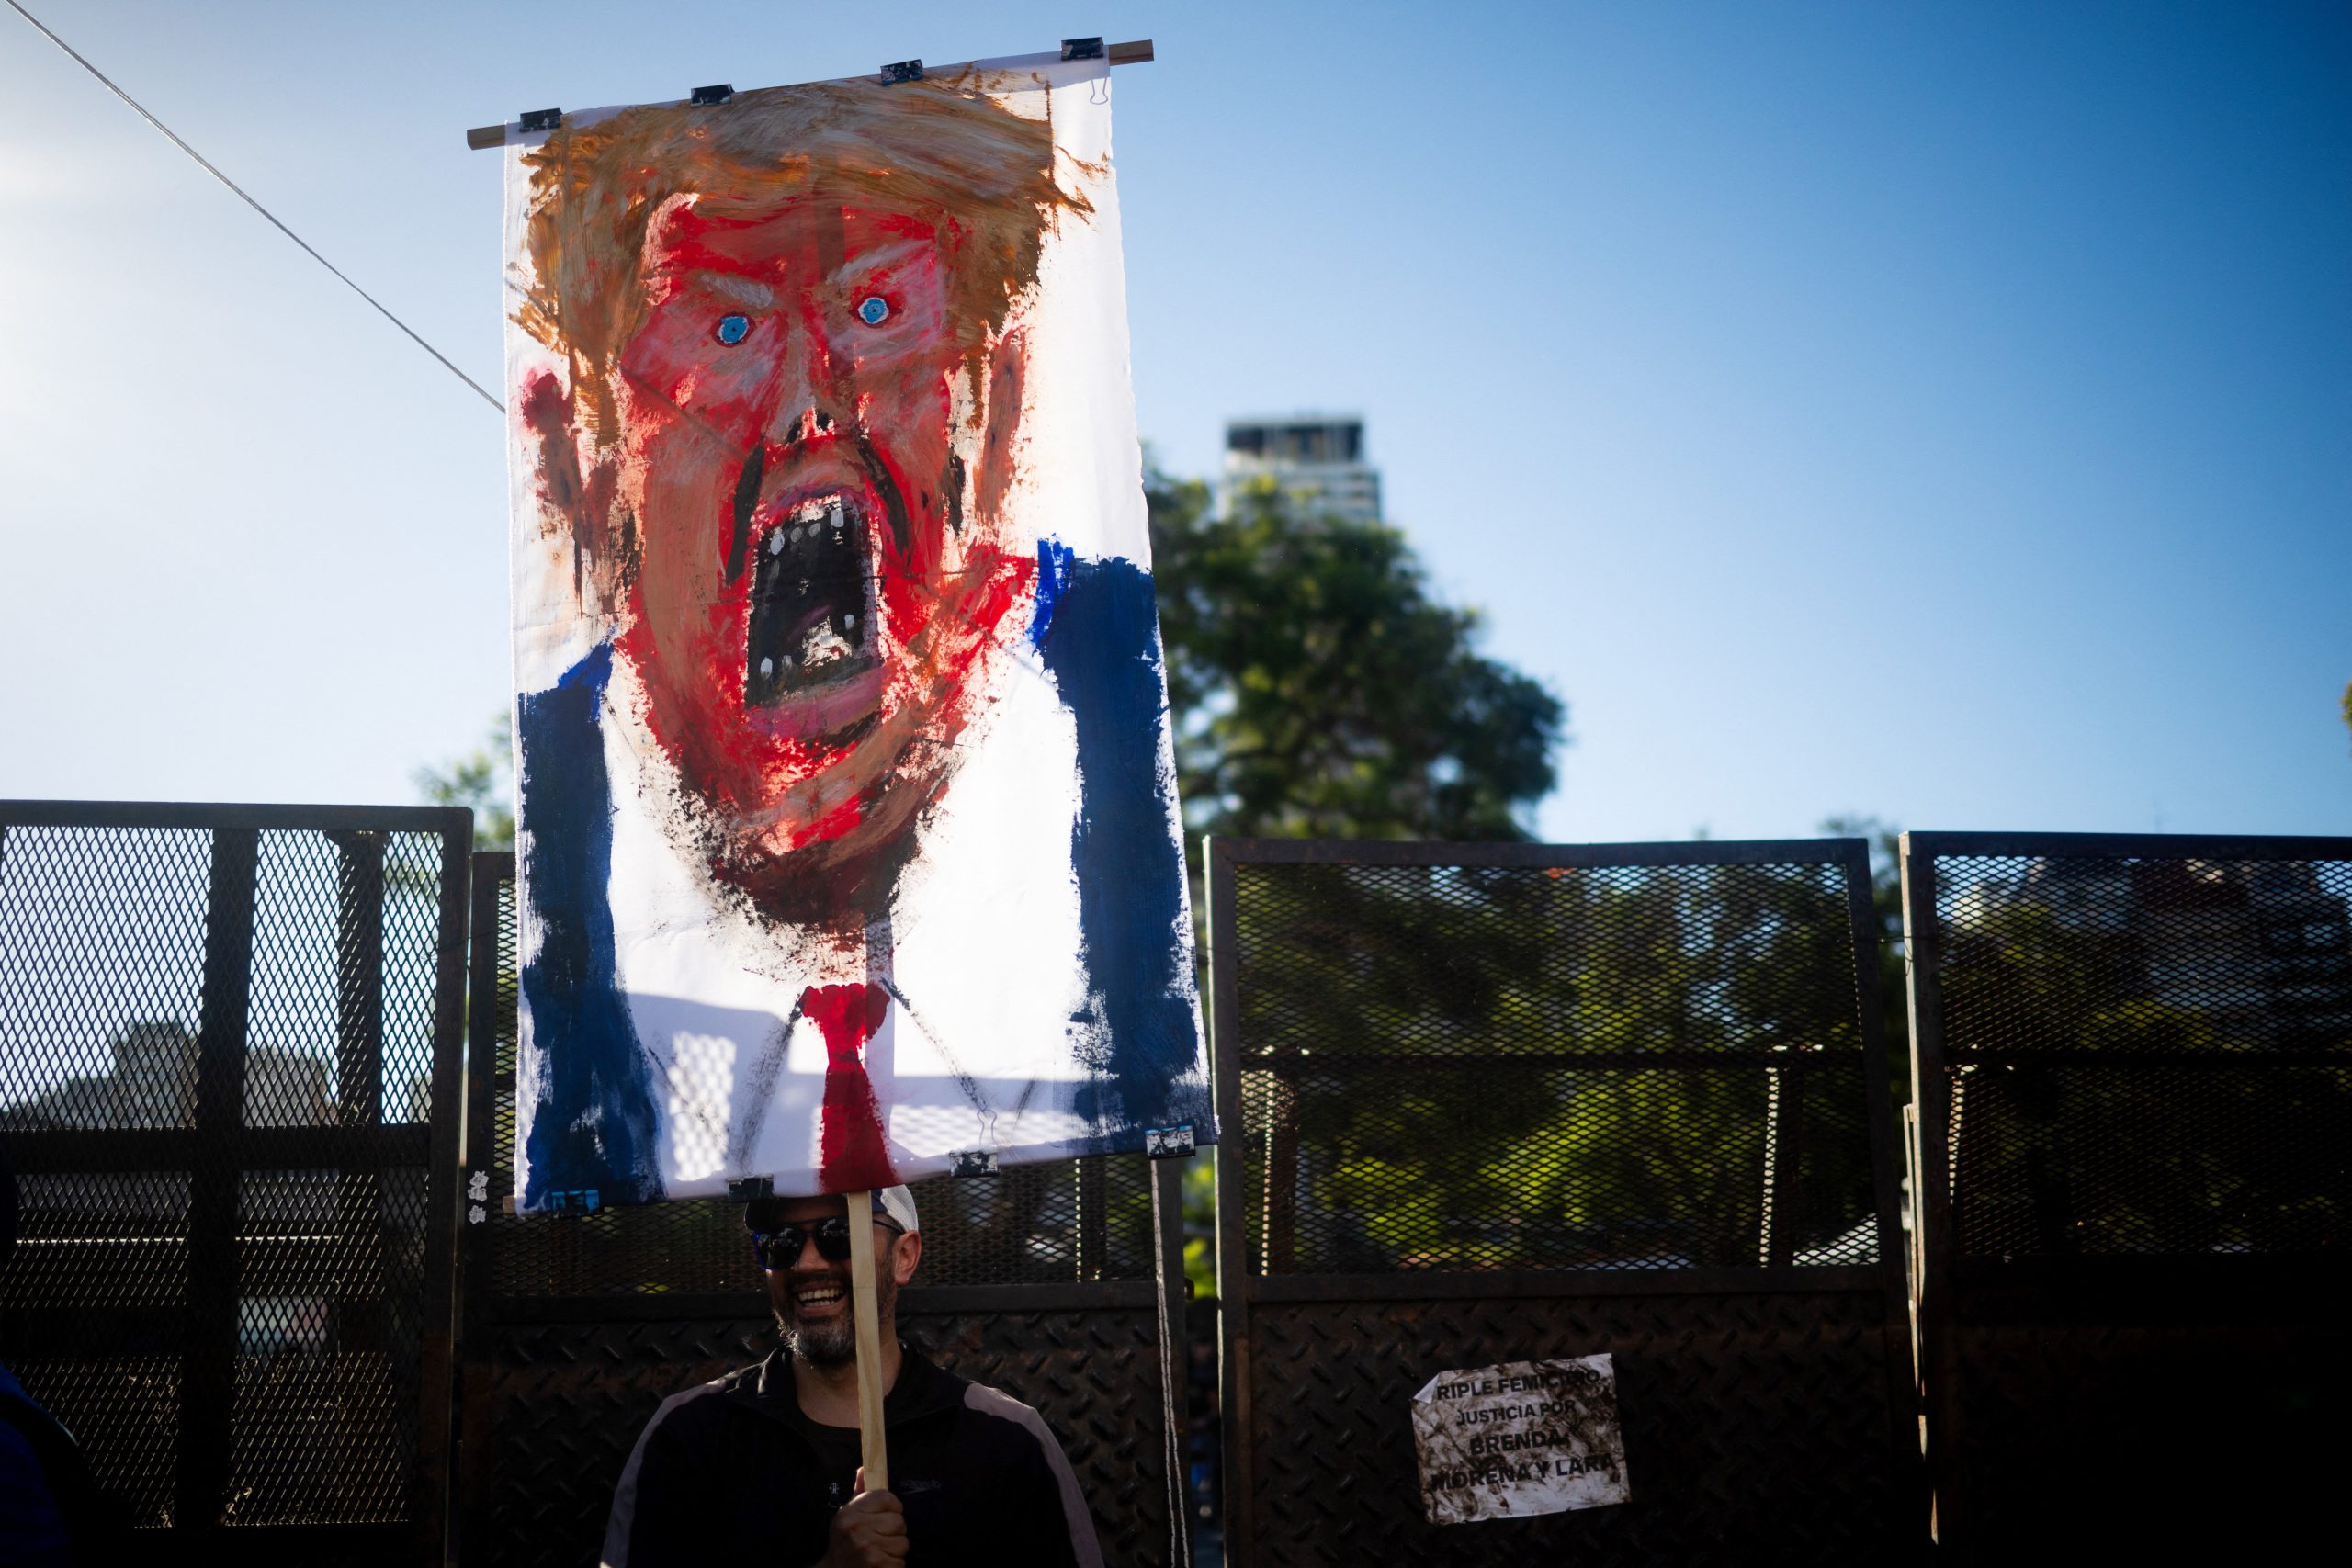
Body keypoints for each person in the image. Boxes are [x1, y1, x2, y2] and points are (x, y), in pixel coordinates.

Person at [600, 1185, 1101, 1567]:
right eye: (781, 1243)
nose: (807, 1261)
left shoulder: (1005, 1439)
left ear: (904, 1256)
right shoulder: (690, 1435)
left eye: (840, 1233)